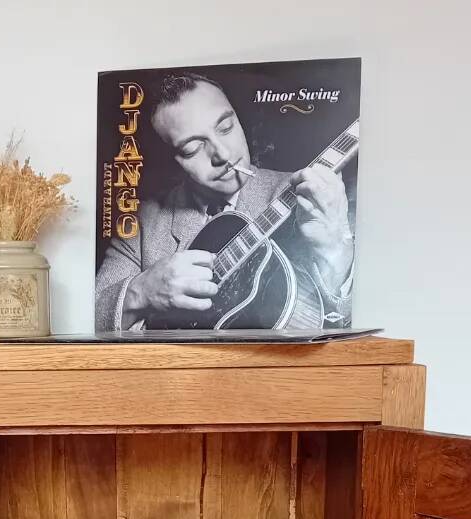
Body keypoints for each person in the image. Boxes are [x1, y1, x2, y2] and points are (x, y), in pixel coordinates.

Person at [95, 72, 355, 332]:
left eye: (226, 127)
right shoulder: (144, 222)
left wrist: (335, 248)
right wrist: (140, 292)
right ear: (171, 159)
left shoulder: (315, 199)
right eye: (192, 148)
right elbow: (89, 314)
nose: (222, 154)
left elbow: (345, 320)